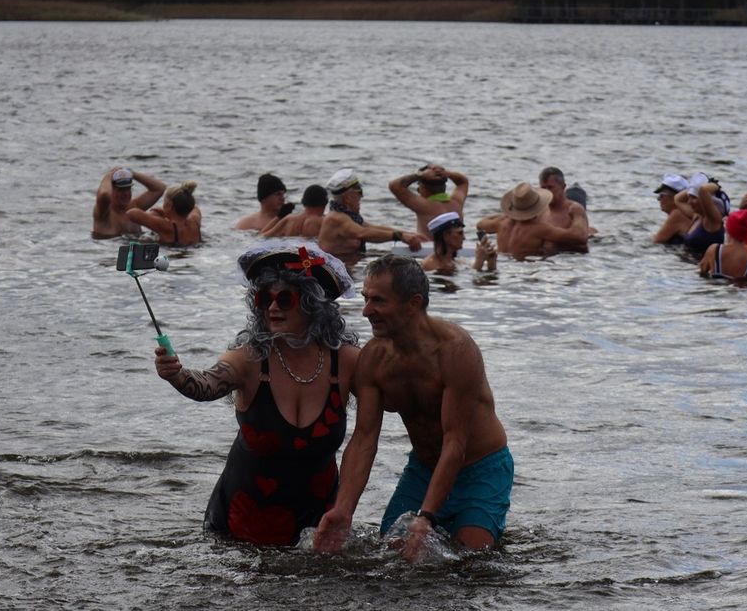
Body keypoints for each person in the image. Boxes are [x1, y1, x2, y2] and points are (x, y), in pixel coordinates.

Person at [152, 242, 361, 546]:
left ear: (313, 305)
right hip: (244, 518)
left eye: (285, 298)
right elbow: (205, 384)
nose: (273, 308)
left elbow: (390, 400)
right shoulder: (249, 358)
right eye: (265, 298)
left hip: (318, 515)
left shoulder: (346, 361)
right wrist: (176, 374)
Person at [314, 255, 512, 561]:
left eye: (378, 301)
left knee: (473, 561)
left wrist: (427, 517)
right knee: (392, 555)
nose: (367, 311)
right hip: (423, 468)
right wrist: (343, 509)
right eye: (366, 299)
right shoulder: (374, 359)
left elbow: (455, 442)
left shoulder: (455, 351)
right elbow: (364, 438)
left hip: (480, 469)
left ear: (413, 303)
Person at [317, 168, 423, 260]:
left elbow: (372, 228)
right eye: (360, 192)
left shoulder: (348, 218)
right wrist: (400, 236)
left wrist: (410, 234)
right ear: (348, 198)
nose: (361, 197)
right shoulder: (336, 218)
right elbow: (363, 233)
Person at [484, 182, 589, 259]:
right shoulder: (540, 229)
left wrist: (508, 215)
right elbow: (579, 237)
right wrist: (578, 213)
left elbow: (480, 224)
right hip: (527, 269)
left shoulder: (501, 223)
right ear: (538, 206)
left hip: (503, 262)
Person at [651, 173, 729, 256]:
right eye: (689, 197)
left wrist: (714, 185)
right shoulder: (697, 217)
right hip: (689, 267)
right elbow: (678, 199)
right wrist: (693, 187)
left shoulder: (712, 221)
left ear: (704, 200)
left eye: (694, 198)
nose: (689, 201)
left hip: (702, 266)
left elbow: (703, 190)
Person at [388, 165, 470, 240]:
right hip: (457, 249)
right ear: (444, 186)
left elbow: (395, 185)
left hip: (430, 252)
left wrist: (419, 175)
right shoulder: (456, 202)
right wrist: (446, 173)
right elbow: (463, 182)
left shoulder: (423, 206)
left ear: (422, 187)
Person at [92, 166, 166, 239]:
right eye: (121, 190)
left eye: (128, 189)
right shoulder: (103, 213)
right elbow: (104, 194)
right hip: (109, 248)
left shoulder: (134, 206)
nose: (126, 194)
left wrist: (132, 173)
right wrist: (109, 175)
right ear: (111, 190)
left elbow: (160, 188)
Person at [125, 180, 202, 246]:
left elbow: (131, 213)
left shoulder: (167, 227)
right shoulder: (195, 221)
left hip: (173, 255)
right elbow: (195, 208)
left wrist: (156, 212)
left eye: (164, 202)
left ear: (170, 205)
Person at [538, 167, 594, 251]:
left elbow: (581, 237)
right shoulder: (539, 211)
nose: (547, 192)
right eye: (543, 188)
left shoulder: (574, 209)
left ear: (563, 187)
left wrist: (545, 233)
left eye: (550, 187)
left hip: (566, 259)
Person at [421, 211, 496, 274]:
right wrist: (479, 261)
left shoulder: (458, 262)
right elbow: (469, 285)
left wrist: (491, 261)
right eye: (459, 233)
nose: (464, 238)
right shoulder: (430, 264)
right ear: (445, 235)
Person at [262, 184, 328, 239]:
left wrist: (278, 217)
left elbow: (262, 236)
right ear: (324, 203)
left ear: (304, 202)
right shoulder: (322, 222)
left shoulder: (289, 219)